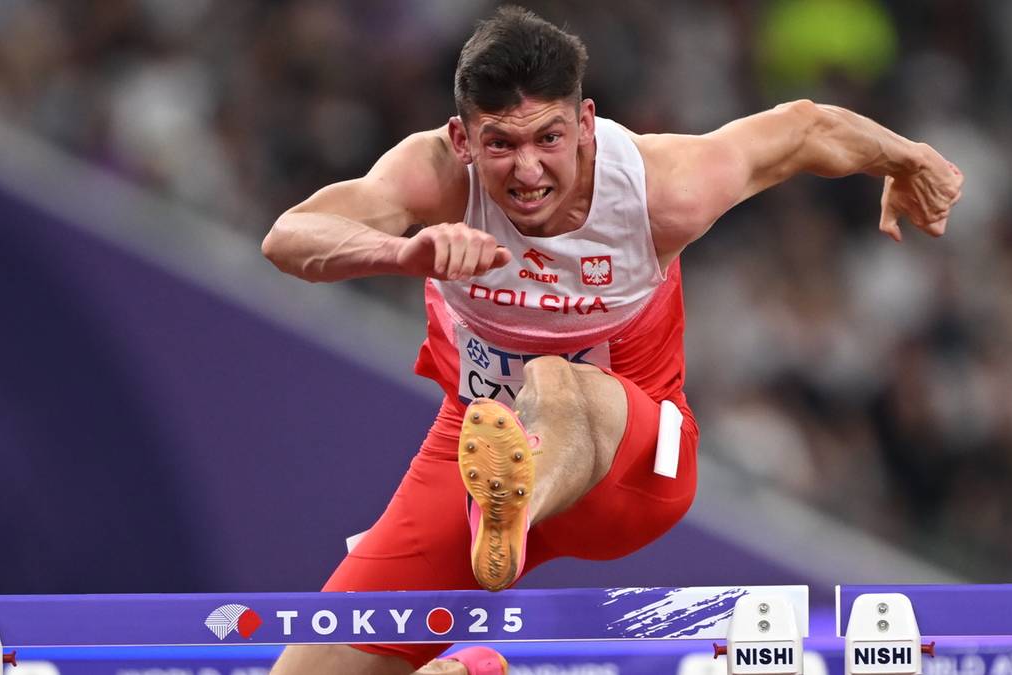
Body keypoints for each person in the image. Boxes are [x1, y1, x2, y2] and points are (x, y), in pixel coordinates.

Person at [260, 6, 963, 674]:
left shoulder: (663, 188)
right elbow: (289, 235)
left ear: (586, 124)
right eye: (500, 144)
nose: (527, 171)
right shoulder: (436, 176)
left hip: (635, 461)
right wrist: (402, 252)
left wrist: (906, 158)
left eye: (548, 139)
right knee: (312, 664)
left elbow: (805, 128)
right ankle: (469, 646)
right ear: (462, 140)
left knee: (554, 380)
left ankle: (510, 508)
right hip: (474, 455)